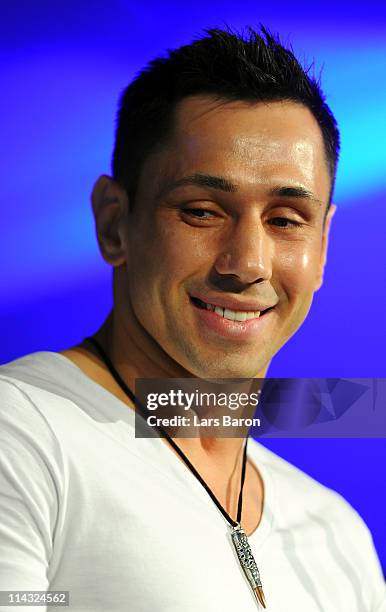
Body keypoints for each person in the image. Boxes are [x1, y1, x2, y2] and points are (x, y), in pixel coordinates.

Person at [0, 26, 384, 612]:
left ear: (324, 245)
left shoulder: (338, 533)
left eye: (286, 219)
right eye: (201, 212)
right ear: (114, 223)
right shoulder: (22, 435)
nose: (247, 264)